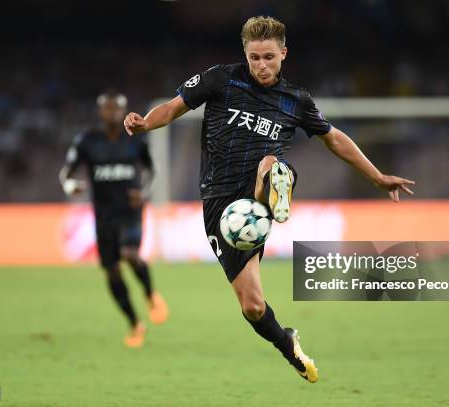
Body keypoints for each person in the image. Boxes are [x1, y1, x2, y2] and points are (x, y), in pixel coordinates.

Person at [124, 16, 414, 382]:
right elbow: (173, 107)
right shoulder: (220, 79)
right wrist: (144, 123)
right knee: (252, 305)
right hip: (221, 204)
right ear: (245, 53)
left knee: (270, 163)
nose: (262, 65)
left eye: (269, 57)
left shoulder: (296, 100)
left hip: (261, 191)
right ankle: (286, 341)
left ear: (284, 54)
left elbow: (334, 138)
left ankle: (273, 188)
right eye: (255, 57)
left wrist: (376, 176)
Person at [60, 90, 168, 348]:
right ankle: (134, 323)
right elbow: (67, 172)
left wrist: (143, 192)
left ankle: (150, 294)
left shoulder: (135, 140)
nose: (111, 113)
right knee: (112, 271)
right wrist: (70, 186)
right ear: (100, 112)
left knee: (130, 254)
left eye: (116, 108)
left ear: (123, 110)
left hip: (130, 211)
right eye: (106, 108)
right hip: (104, 215)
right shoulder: (87, 140)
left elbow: (152, 170)